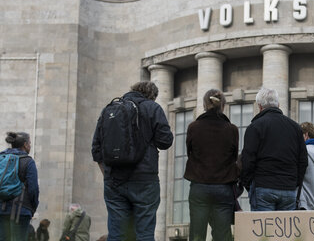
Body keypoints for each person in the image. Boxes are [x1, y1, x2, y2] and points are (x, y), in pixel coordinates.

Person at [91, 81, 173, 240]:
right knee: (144, 233)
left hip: (114, 181)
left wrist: (107, 175)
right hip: (145, 180)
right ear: (152, 96)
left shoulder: (109, 110)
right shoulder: (152, 108)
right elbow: (166, 141)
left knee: (116, 234)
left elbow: (96, 149)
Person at [240, 87, 308, 211]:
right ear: (279, 105)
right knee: (286, 230)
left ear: (259, 106)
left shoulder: (255, 127)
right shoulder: (295, 128)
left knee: (264, 230)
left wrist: (249, 184)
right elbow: (303, 160)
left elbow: (248, 159)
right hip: (288, 188)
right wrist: (295, 183)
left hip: (263, 186)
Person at [184, 89, 239, 241]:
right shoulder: (232, 129)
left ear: (204, 105)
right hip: (223, 186)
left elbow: (190, 153)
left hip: (199, 185)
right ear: (223, 106)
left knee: (197, 233)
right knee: (222, 234)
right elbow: (234, 157)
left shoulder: (193, 127)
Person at [0, 132, 39, 241]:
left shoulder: (1, 158)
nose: (30, 146)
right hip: (21, 210)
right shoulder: (28, 161)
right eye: (30, 143)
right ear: (25, 144)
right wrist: (32, 209)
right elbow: (33, 189)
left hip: (1, 210)